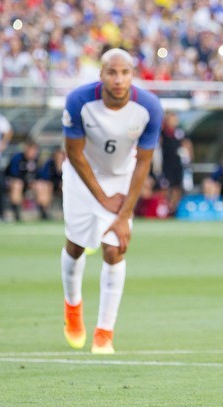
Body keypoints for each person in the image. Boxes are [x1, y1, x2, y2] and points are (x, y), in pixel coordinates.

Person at [60, 48, 163, 354]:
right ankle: (73, 308)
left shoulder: (149, 107)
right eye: (111, 72)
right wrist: (101, 197)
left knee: (115, 249)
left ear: (133, 74)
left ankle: (104, 332)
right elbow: (74, 154)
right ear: (101, 74)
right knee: (76, 246)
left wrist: (123, 214)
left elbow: (143, 162)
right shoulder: (78, 101)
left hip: (121, 179)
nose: (118, 79)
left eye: (125, 72)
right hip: (82, 178)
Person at [4, 140, 46, 221]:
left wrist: (34, 182)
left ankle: (43, 212)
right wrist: (27, 182)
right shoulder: (17, 158)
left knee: (42, 185)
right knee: (17, 184)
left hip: (29, 184)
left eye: (35, 150)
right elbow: (14, 174)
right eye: (32, 150)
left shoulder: (36, 160)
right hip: (15, 183)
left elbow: (40, 175)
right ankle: (16, 212)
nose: (34, 152)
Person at [160, 111, 192, 215]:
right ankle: (167, 207)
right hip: (166, 164)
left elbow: (187, 145)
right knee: (166, 187)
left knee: (177, 187)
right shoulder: (162, 133)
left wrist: (188, 158)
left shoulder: (180, 132)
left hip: (178, 165)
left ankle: (174, 208)